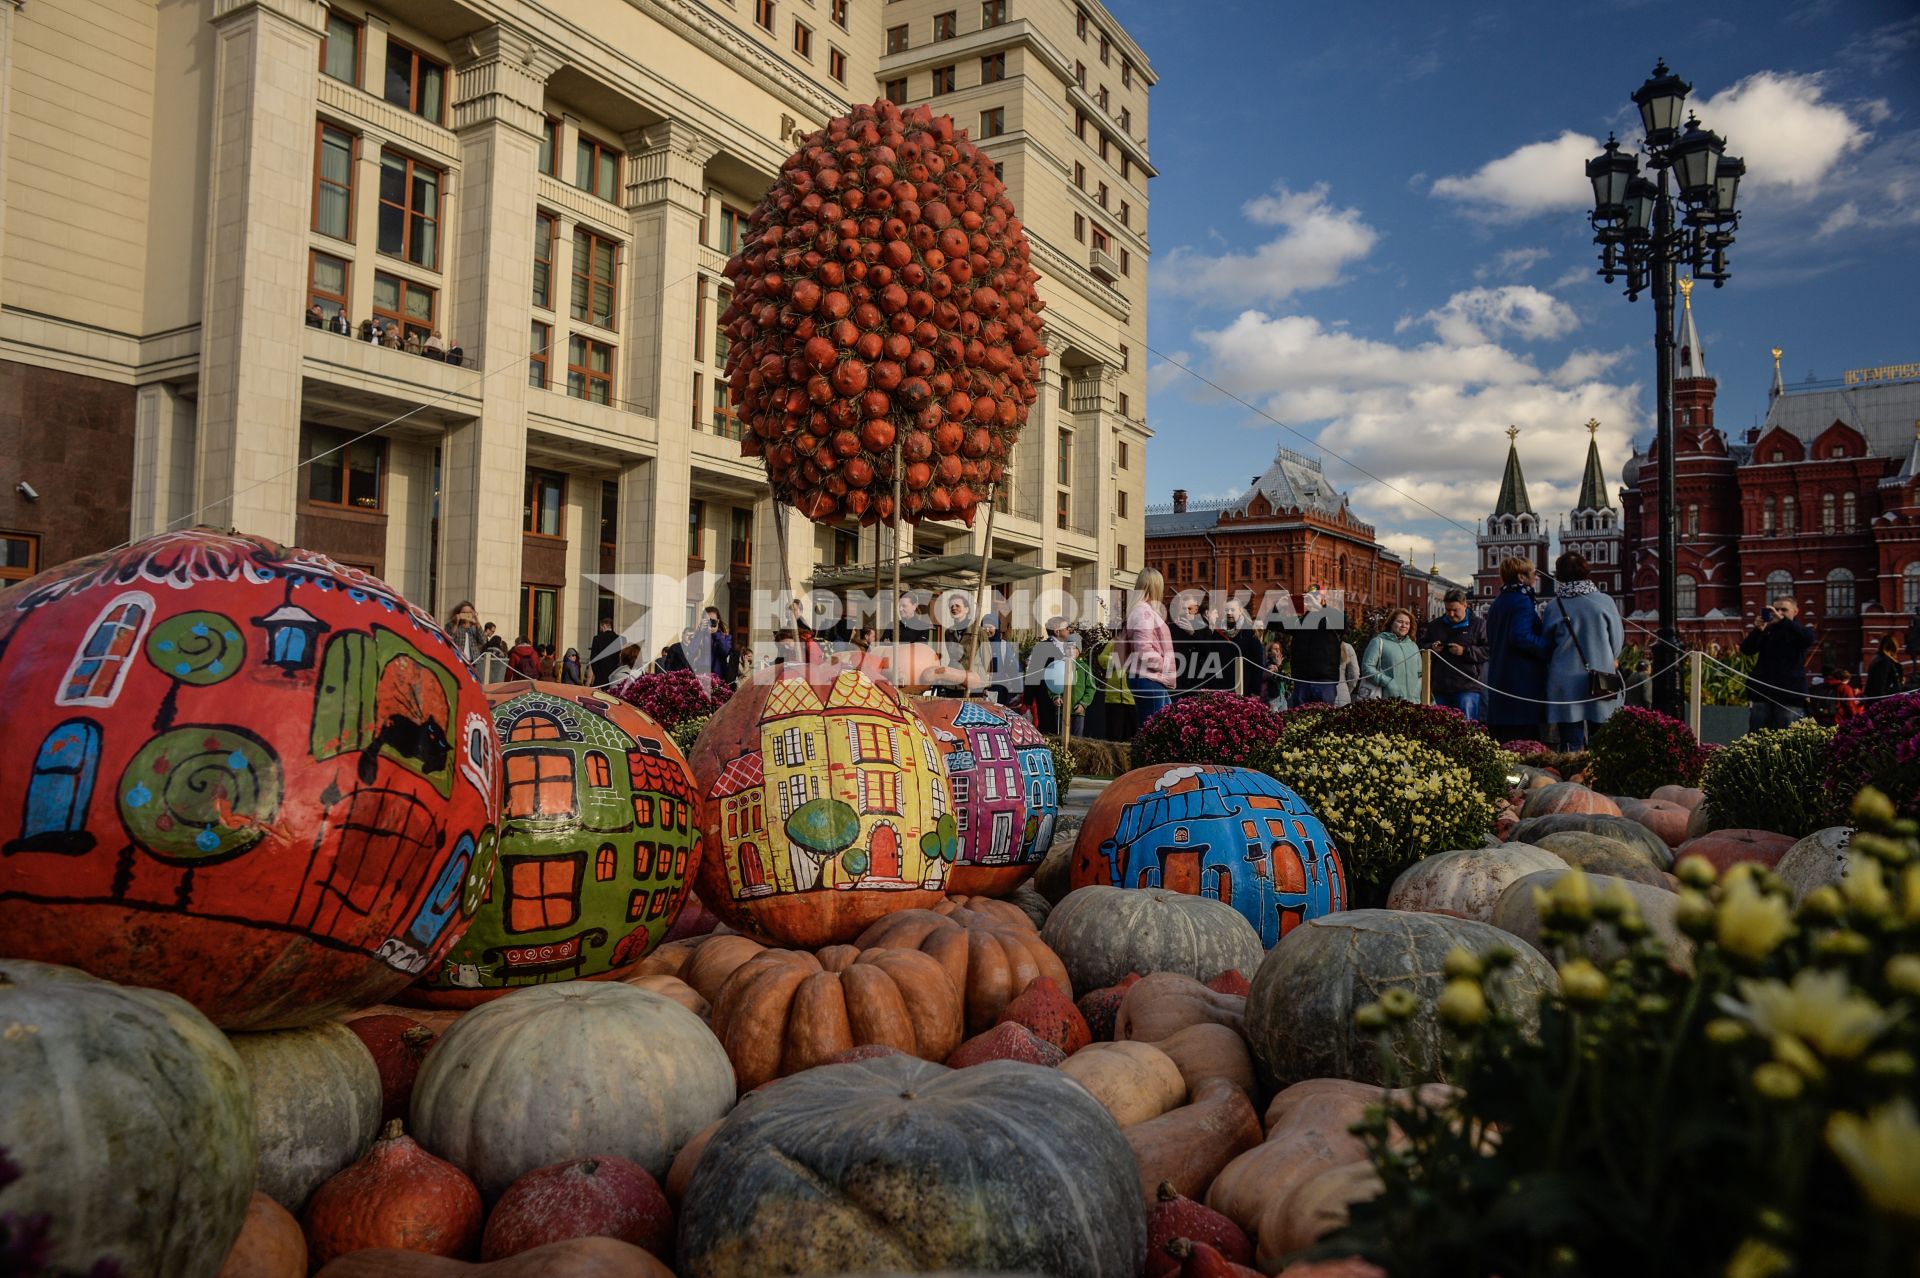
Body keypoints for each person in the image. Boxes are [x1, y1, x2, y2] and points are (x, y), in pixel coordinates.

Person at [1541, 552, 1624, 751]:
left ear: (1559, 575)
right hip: (1599, 677)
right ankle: (1600, 778)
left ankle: (1571, 778)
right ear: (1586, 571)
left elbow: (1546, 643)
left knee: (1571, 742)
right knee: (1602, 740)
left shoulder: (1554, 606)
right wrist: (1608, 658)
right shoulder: (1604, 601)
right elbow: (1618, 639)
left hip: (1564, 680)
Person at [1485, 556, 1550, 744]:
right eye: (1533, 573)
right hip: (1521, 684)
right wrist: (1548, 645)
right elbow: (1520, 637)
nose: (1536, 577)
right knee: (1523, 744)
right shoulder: (1522, 601)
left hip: (1500, 681)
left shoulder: (1499, 601)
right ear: (1521, 577)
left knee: (1504, 743)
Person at [1739, 595, 1815, 732]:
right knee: (1757, 737)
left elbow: (1808, 639)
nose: (1778, 613)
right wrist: (1758, 630)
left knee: (1786, 738)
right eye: (1776, 609)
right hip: (1763, 694)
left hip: (1789, 696)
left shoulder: (1798, 631)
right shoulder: (1768, 630)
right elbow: (1746, 650)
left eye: (1784, 610)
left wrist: (1782, 621)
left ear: (1795, 611)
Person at [1116, 567, 1176, 726]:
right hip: (1150, 678)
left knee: (1153, 730)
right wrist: (1164, 665)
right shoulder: (1143, 612)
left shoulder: (1141, 611)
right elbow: (1143, 649)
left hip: (1149, 678)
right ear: (1156, 587)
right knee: (1153, 731)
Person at [1420, 590, 1488, 720]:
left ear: (1465, 605)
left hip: (1468, 687)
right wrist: (1431, 648)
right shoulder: (1435, 625)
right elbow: (1421, 645)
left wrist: (1465, 651)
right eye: (1447, 610)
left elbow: (1488, 650)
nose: (1451, 614)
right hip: (1440, 686)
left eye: (1455, 610)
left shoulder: (1479, 625)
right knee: (1441, 729)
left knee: (1467, 728)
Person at [1287, 593, 1344, 707]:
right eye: (1309, 597)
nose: (1311, 600)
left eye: (1315, 596)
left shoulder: (1329, 619)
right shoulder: (1301, 622)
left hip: (1324, 680)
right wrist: (1280, 604)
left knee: (1324, 719)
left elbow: (1343, 623)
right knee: (1299, 720)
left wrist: (1319, 607)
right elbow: (1272, 623)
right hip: (1302, 680)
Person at [1360, 608, 1421, 701]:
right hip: (1388, 700)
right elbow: (1367, 668)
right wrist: (1388, 682)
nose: (1404, 625)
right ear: (1391, 623)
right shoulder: (1378, 642)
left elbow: (1420, 673)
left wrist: (1418, 690)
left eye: (1407, 623)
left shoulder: (1413, 646)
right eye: (1400, 622)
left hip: (1413, 701)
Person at [1222, 602, 1267, 697]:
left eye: (1232, 610)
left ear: (1240, 611)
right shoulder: (1219, 632)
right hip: (1223, 686)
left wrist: (1255, 691)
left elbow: (1258, 664)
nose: (1229, 613)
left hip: (1245, 686)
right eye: (1226, 610)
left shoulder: (1250, 633)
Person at [444, 601, 484, 671]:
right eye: (464, 613)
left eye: (469, 612)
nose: (466, 615)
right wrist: (456, 624)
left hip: (473, 662)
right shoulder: (451, 625)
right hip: (457, 660)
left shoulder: (474, 627)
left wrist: (477, 622)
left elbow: (483, 640)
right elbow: (448, 641)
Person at [701, 607, 737, 682]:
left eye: (713, 620)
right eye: (708, 621)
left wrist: (716, 634)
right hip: (701, 677)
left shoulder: (725, 636)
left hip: (718, 679)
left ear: (718, 621)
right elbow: (691, 651)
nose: (710, 623)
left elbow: (725, 651)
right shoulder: (700, 635)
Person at [589, 617, 623, 686]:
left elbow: (593, 659)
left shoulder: (597, 639)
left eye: (600, 627)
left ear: (604, 626)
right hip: (616, 676)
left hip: (600, 677)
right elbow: (622, 658)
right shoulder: (621, 639)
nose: (600, 629)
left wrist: (597, 673)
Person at [1866, 636, 1903, 700]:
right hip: (1886, 700)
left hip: (1877, 699)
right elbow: (1881, 684)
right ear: (1893, 648)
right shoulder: (1885, 661)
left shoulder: (1877, 659)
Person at [1260, 638, 1288, 708]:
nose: (1278, 651)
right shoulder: (1268, 664)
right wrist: (1278, 666)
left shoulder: (1279, 663)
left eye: (1279, 649)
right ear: (1269, 652)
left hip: (1282, 697)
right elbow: (1274, 679)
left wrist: (1279, 666)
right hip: (1272, 698)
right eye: (1275, 649)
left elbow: (1284, 679)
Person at [1334, 639, 1361, 706]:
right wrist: (1349, 690)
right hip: (1342, 692)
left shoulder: (1316, 646)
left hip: (1320, 692)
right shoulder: (1348, 647)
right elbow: (1355, 673)